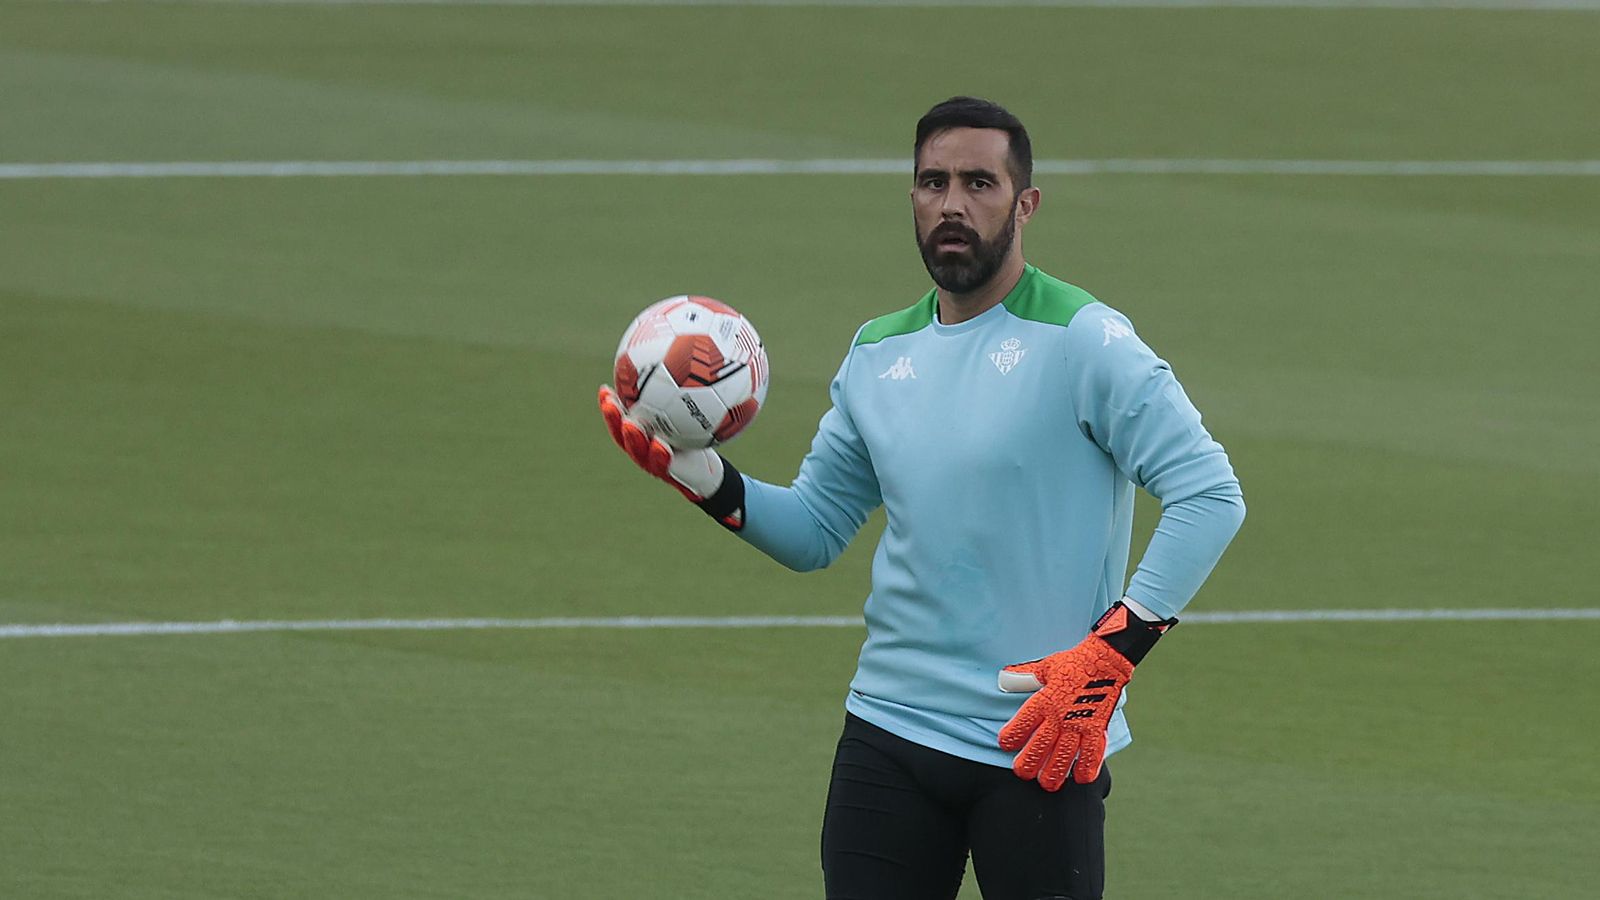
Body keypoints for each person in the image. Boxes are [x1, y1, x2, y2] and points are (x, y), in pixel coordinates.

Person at [598, 96, 1245, 900]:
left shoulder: (1085, 340)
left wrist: (1113, 651)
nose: (952, 204)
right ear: (911, 196)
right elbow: (814, 530)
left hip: (1039, 736)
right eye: (934, 182)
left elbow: (1210, 494)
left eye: (979, 183)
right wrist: (701, 477)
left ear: (1025, 204)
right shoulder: (878, 352)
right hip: (889, 730)